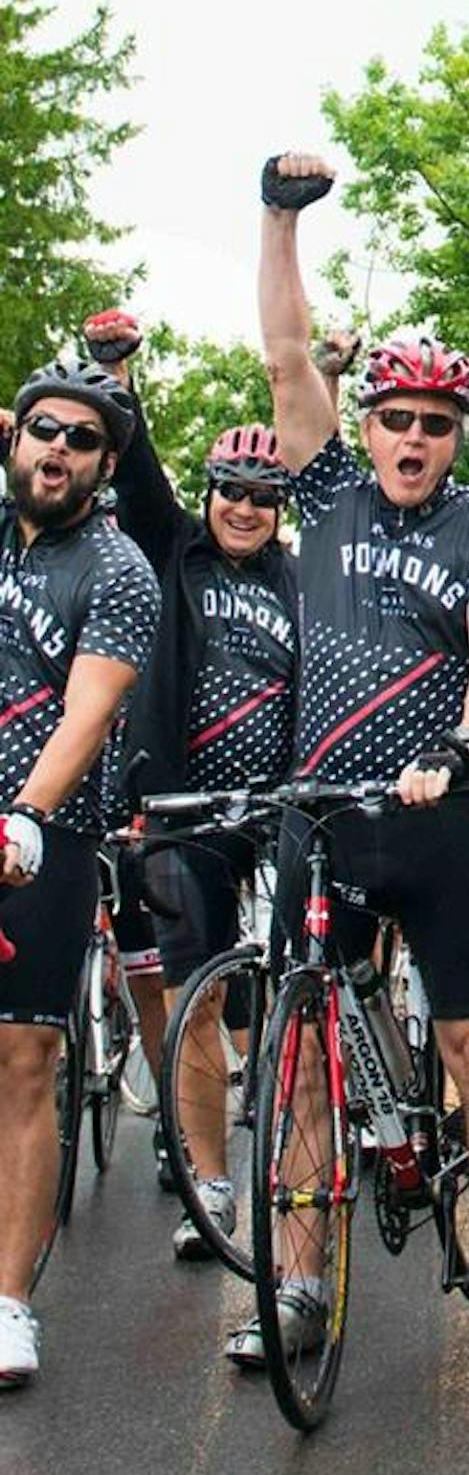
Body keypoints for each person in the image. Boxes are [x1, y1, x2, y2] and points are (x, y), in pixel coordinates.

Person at [249, 151, 469, 1363]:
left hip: (434, 807)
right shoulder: (322, 490)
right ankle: (297, 1286)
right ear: (365, 424)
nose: (415, 438)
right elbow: (285, 355)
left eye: (436, 424)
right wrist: (278, 219)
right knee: (306, 1061)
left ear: (457, 435)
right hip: (320, 813)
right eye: (397, 419)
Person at [85, 310, 299, 1260]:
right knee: (198, 994)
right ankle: (208, 1179)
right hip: (184, 804)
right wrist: (116, 373)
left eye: (261, 495)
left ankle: (340, 1129)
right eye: (231, 492)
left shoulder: (300, 579)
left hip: (283, 801)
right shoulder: (174, 548)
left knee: (308, 979)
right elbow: (135, 472)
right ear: (210, 495)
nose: (243, 508)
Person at [0, 358, 159, 1389]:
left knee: (19, 1072)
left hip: (33, 845)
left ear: (105, 466)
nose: (56, 450)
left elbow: (88, 710)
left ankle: (10, 1304)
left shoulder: (120, 570)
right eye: (42, 431)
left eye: (81, 440)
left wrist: (24, 814)